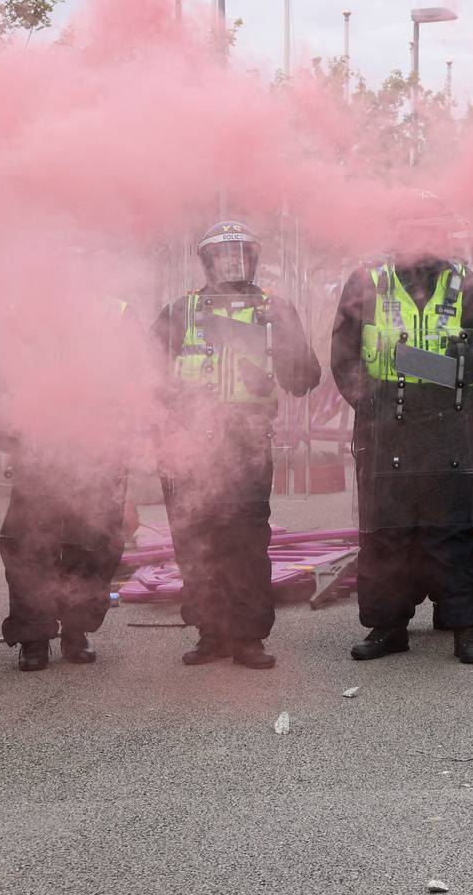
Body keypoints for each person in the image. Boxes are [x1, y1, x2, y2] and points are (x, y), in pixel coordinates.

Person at [331, 192, 473, 665]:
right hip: (385, 422)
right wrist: (368, 402)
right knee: (385, 533)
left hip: (451, 424)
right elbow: (345, 354)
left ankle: (465, 626)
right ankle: (387, 626)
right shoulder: (366, 284)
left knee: (451, 530)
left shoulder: (469, 287)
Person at [153, 221, 321, 669]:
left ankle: (248, 638)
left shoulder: (275, 310)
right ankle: (211, 633)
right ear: (205, 261)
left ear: (254, 259)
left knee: (246, 542)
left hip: (246, 447)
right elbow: (143, 376)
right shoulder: (179, 312)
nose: (233, 264)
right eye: (223, 256)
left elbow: (305, 380)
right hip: (189, 449)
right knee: (195, 542)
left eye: (242, 254)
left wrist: (281, 353)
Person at [0, 297, 134, 671]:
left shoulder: (115, 310)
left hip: (98, 456)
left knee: (94, 547)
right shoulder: (23, 310)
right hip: (39, 455)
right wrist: (14, 438)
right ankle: (34, 638)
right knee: (28, 546)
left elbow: (138, 382)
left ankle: (76, 630)